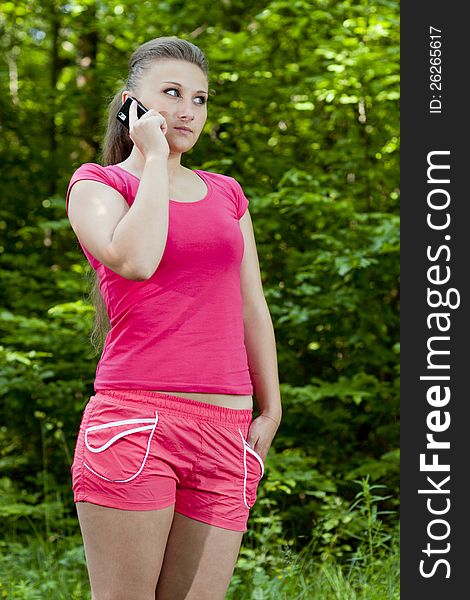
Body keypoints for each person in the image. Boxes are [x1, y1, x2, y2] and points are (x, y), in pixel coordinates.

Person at [65, 36, 282, 600]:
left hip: (226, 432)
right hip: (138, 425)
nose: (188, 110)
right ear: (129, 104)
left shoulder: (227, 194)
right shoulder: (100, 185)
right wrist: (155, 160)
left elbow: (252, 305)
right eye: (171, 93)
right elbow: (135, 260)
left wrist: (272, 405)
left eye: (201, 99)